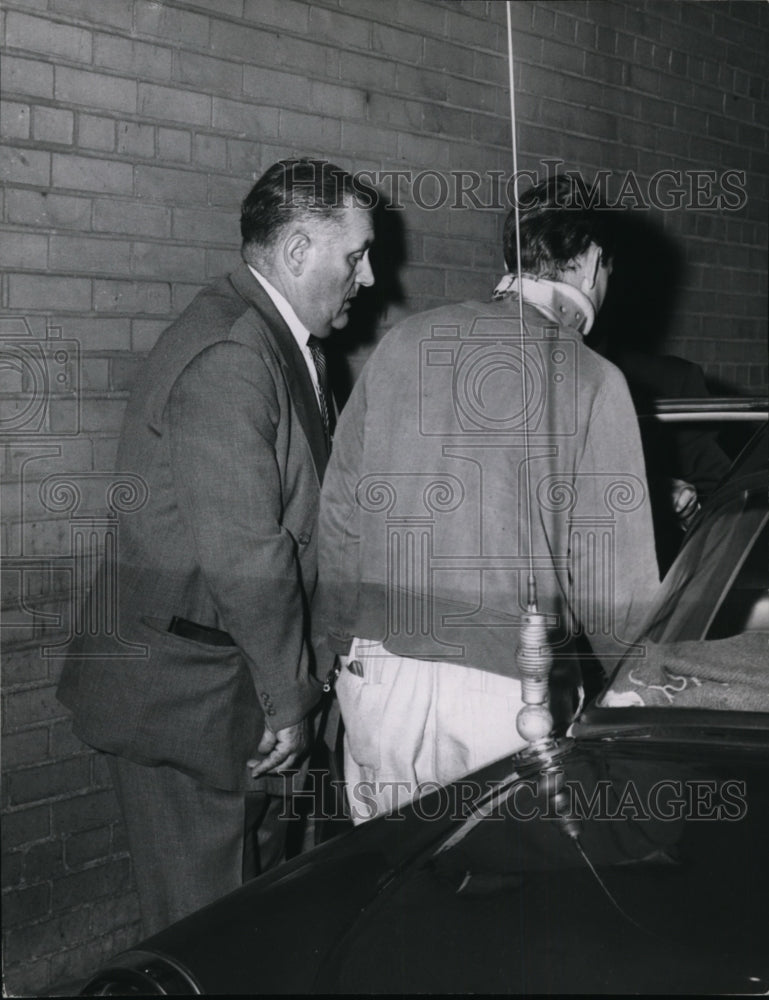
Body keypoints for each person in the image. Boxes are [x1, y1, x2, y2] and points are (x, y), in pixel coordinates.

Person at [57, 159, 375, 934]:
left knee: (249, 917)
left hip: (228, 688)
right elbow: (246, 550)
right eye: (357, 254)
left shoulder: (284, 343)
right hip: (185, 703)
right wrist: (288, 698)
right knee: (204, 936)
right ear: (298, 250)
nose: (368, 277)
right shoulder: (235, 353)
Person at [315, 176, 659, 822]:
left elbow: (339, 513)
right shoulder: (594, 379)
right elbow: (615, 586)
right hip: (508, 693)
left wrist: (338, 650)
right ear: (586, 261)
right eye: (604, 268)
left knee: (388, 896)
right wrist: (635, 693)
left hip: (380, 675)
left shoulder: (406, 343)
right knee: (501, 909)